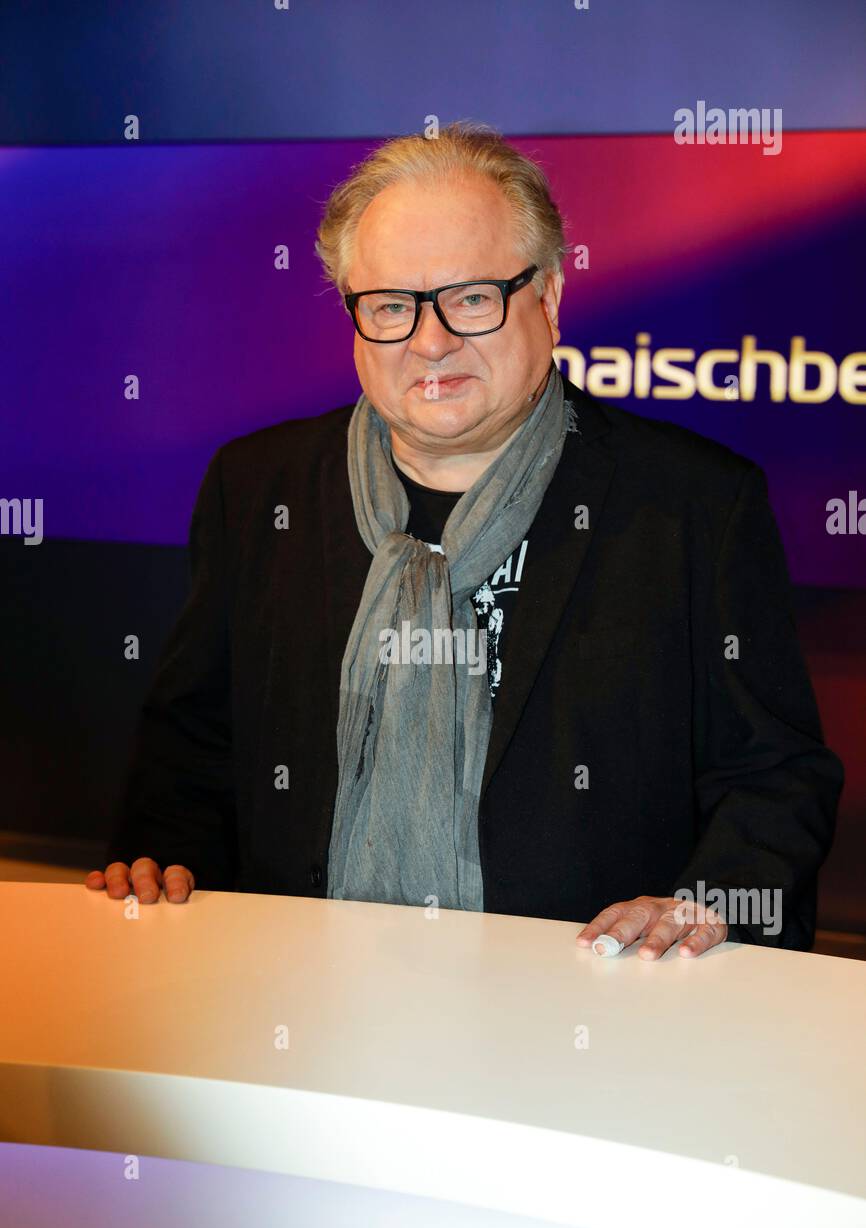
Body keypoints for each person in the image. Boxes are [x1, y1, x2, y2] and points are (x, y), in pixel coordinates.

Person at [87, 121, 843, 958]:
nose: (430, 340)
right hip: (294, 1005)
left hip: (593, 1022)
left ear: (549, 298)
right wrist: (162, 865)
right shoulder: (259, 489)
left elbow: (773, 778)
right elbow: (192, 745)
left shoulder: (695, 503)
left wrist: (709, 905)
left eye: (472, 297)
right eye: (390, 306)